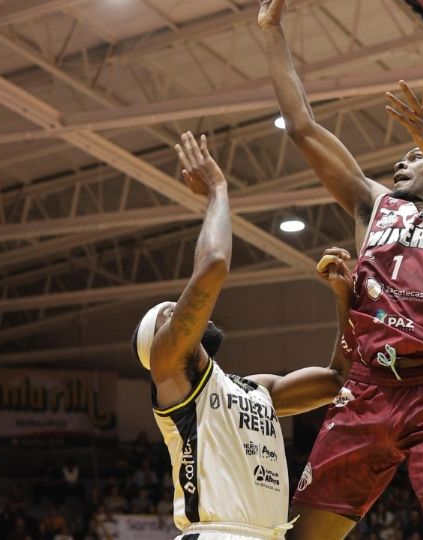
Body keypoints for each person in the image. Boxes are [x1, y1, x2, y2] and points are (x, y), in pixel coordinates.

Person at [258, 1, 423, 538]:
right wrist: (272, 32)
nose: (401, 162)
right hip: (368, 386)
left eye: (412, 156)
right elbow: (303, 128)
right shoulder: (376, 204)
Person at [132, 131, 353, 539]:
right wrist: (217, 190)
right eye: (171, 313)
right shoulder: (170, 372)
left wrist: (344, 299)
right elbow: (213, 264)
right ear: (158, 344)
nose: (181, 312)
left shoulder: (256, 390)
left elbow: (338, 380)